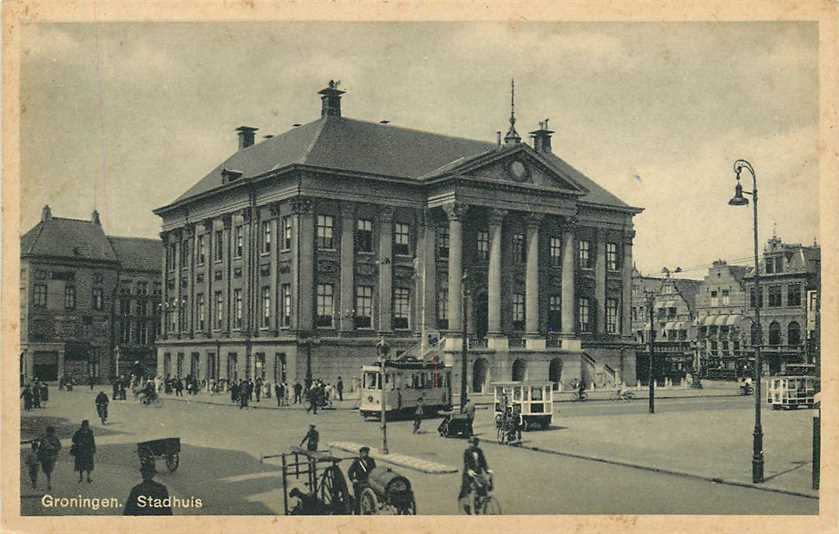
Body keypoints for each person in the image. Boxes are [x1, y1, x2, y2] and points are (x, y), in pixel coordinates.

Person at [458, 436, 490, 514]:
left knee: (484, 485)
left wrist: (487, 470)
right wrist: (469, 470)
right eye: (471, 443)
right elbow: (466, 463)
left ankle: (478, 503)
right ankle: (468, 506)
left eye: (475, 444)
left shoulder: (479, 451)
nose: (473, 445)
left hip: (478, 472)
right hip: (468, 474)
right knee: (470, 489)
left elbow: (483, 462)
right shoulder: (467, 452)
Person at [348, 446, 377, 512]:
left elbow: (374, 470)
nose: (365, 454)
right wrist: (353, 479)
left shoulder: (371, 460)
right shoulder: (357, 462)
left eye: (366, 453)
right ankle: (357, 513)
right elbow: (350, 472)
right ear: (360, 453)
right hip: (359, 482)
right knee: (358, 500)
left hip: (368, 482)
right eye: (364, 453)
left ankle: (370, 510)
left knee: (371, 497)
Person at [38, 426, 62, 490]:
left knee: (49, 470)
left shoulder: (55, 439)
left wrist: (53, 448)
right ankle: (49, 481)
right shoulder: (44, 439)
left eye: (51, 432)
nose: (50, 433)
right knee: (46, 470)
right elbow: (40, 448)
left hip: (52, 457)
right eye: (49, 432)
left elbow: (59, 447)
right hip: (45, 456)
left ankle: (49, 482)